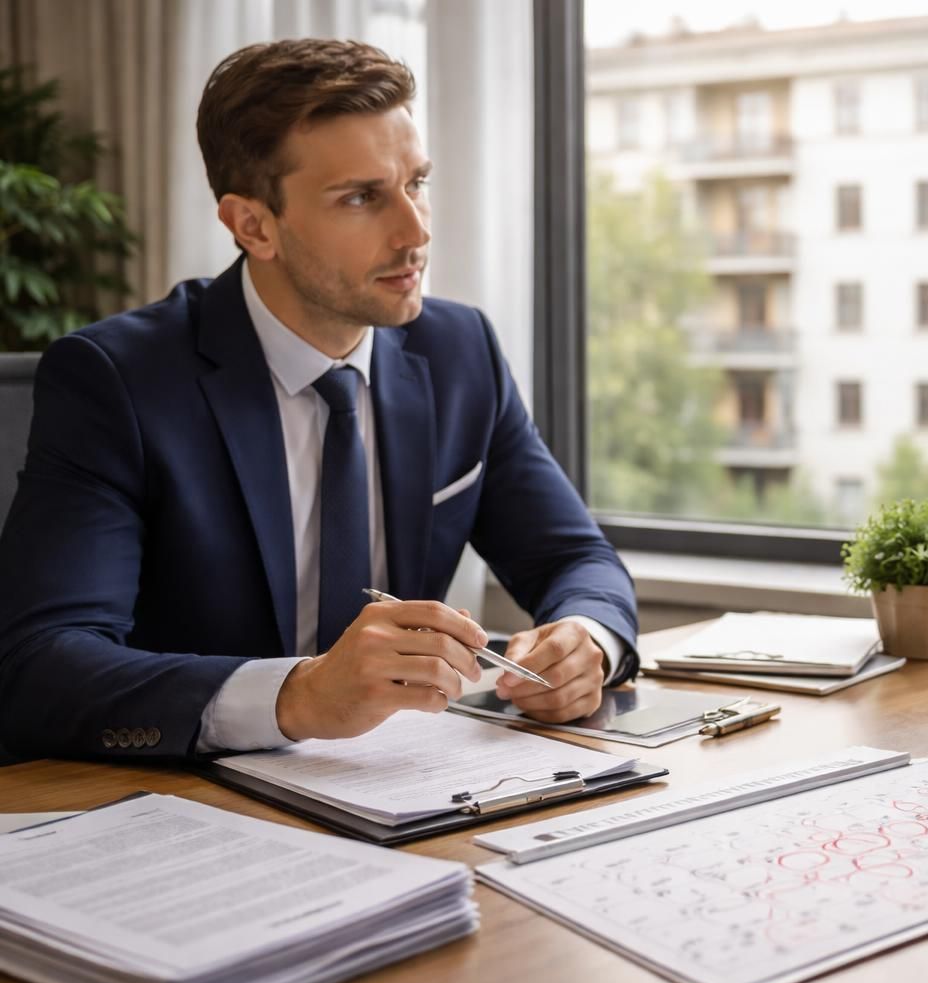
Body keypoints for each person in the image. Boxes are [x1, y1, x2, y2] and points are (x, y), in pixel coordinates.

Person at [0, 39, 637, 760]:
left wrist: (587, 639)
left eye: (416, 183)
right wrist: (297, 696)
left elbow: (575, 558)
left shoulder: (459, 352)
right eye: (363, 197)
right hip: (190, 803)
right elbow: (42, 665)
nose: (417, 231)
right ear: (253, 225)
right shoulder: (116, 380)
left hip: (397, 791)